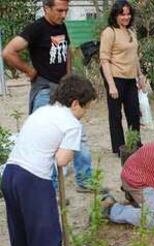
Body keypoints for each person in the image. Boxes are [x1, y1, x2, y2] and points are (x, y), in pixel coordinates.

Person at [1, 75, 96, 246]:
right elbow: (62, 160)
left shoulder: (42, 111)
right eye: (86, 107)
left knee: (20, 227)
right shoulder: (72, 124)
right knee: (47, 235)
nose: (86, 112)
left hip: (10, 174)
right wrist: (66, 150)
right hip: (33, 179)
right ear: (75, 103)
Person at [2, 0, 94, 193]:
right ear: (46, 8)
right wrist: (29, 71)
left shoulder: (62, 26)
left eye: (66, 11)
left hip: (64, 90)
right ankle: (49, 190)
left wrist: (69, 78)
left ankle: (85, 180)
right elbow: (8, 52)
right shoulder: (35, 29)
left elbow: (67, 51)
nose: (63, 15)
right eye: (59, 10)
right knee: (48, 140)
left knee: (77, 133)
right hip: (44, 90)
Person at [100, 0, 144, 156]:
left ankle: (135, 143)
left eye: (128, 14)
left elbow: (134, 56)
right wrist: (111, 85)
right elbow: (104, 60)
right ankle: (119, 148)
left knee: (133, 113)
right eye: (122, 14)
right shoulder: (109, 32)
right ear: (116, 15)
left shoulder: (131, 32)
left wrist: (140, 75)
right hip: (115, 77)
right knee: (116, 114)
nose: (126, 17)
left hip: (131, 78)